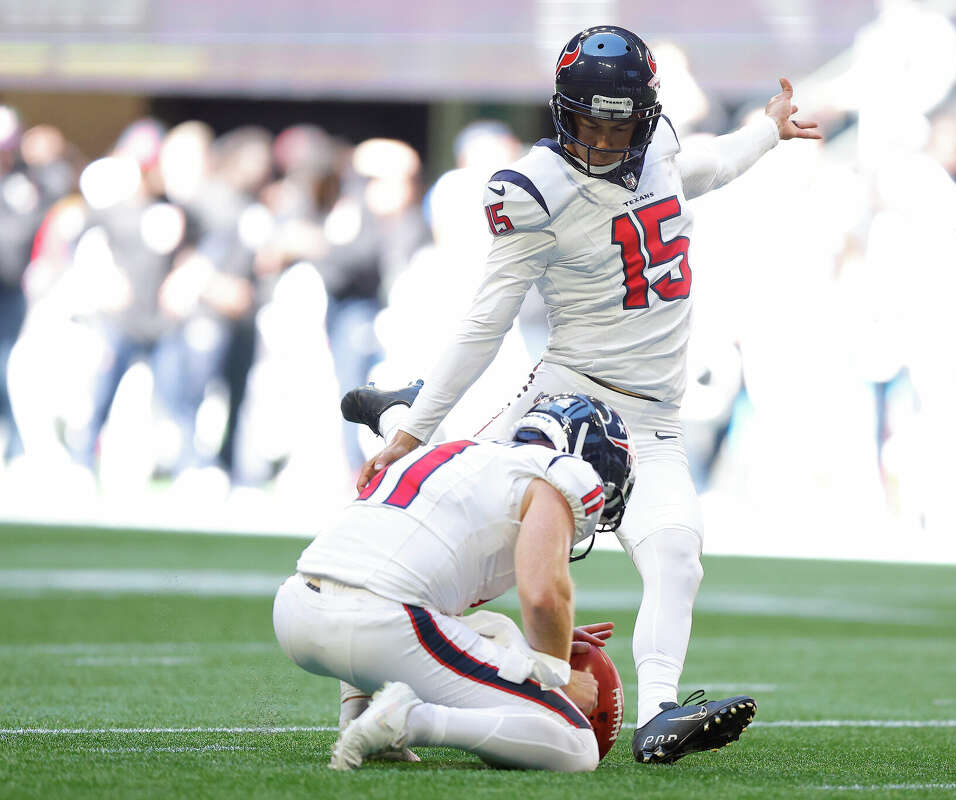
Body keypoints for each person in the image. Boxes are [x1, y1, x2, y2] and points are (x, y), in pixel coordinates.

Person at [346, 25, 817, 764]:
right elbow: (487, 319)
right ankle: (366, 689)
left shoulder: (658, 146)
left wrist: (767, 130)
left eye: (617, 119)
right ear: (563, 110)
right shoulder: (535, 187)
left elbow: (712, 162)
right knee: (472, 555)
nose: (601, 136)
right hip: (568, 404)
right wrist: (414, 435)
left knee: (676, 555)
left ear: (646, 111)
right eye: (588, 119)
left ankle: (659, 713)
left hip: (656, 419)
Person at [273, 393, 639, 771]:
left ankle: (358, 713)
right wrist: (556, 675)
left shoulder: (455, 454)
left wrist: (541, 641)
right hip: (377, 624)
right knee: (575, 745)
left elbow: (422, 583)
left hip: (295, 610)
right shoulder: (566, 473)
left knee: (401, 585)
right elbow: (544, 596)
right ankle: (410, 721)